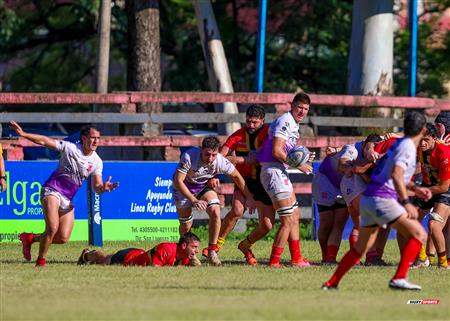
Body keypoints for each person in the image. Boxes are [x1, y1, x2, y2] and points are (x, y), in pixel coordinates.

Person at [322, 111, 432, 291]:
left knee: (360, 249)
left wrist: (416, 189)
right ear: (423, 129)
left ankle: (331, 283)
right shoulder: (409, 148)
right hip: (383, 199)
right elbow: (396, 174)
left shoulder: (399, 144)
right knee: (419, 234)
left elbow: (393, 174)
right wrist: (405, 202)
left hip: (370, 198)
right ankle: (399, 278)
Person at [12, 121, 119, 267]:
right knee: (52, 227)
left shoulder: (97, 162)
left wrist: (104, 188)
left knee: (62, 238)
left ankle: (30, 238)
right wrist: (23, 134)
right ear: (83, 138)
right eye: (93, 137)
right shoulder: (70, 148)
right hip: (52, 191)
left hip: (67, 199)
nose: (95, 141)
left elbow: (96, 187)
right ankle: (40, 261)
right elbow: (44, 141)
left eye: (98, 138)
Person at [201, 105, 273, 266]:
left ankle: (246, 245)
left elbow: (263, 155)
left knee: (267, 226)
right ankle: (215, 247)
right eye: (248, 121)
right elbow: (219, 157)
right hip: (244, 180)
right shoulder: (237, 136)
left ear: (262, 121)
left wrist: (239, 160)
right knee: (237, 210)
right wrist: (213, 175)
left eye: (255, 122)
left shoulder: (269, 133)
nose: (251, 125)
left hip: (265, 182)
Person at [172, 136, 256, 266]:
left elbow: (237, 176)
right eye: (207, 154)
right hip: (183, 188)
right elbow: (178, 181)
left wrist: (249, 197)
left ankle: (212, 251)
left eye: (214, 155)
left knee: (216, 213)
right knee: (186, 226)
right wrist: (193, 200)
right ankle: (188, 254)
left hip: (202, 187)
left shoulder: (220, 161)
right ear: (201, 150)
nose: (210, 158)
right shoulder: (189, 156)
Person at [257, 92, 314, 267]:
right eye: (300, 107)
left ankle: (296, 259)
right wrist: (299, 166)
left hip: (280, 170)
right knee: (287, 220)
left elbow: (287, 152)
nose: (302, 111)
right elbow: (276, 151)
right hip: (273, 171)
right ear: (292, 105)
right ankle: (274, 261)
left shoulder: (294, 125)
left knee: (294, 215)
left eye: (306, 109)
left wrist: (303, 159)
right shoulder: (285, 121)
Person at [314, 134, 381, 264]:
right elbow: (342, 165)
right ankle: (327, 256)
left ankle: (332, 258)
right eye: (371, 149)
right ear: (366, 145)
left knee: (341, 223)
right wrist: (352, 169)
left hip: (345, 184)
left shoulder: (376, 144)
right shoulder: (353, 149)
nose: (373, 153)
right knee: (326, 222)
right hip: (326, 182)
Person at [413, 123, 450, 269]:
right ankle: (422, 259)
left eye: (426, 140)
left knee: (434, 224)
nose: (422, 143)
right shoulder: (417, 147)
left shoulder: (444, 154)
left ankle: (443, 264)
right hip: (428, 186)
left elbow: (443, 186)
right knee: (408, 220)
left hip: (446, 189)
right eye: (420, 139)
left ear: (434, 138)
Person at [78, 232, 200, 267]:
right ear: (184, 246)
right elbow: (155, 270)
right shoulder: (166, 249)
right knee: (104, 260)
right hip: (128, 257)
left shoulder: (184, 256)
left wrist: (195, 263)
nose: (197, 251)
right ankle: (87, 254)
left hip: (139, 253)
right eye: (194, 247)